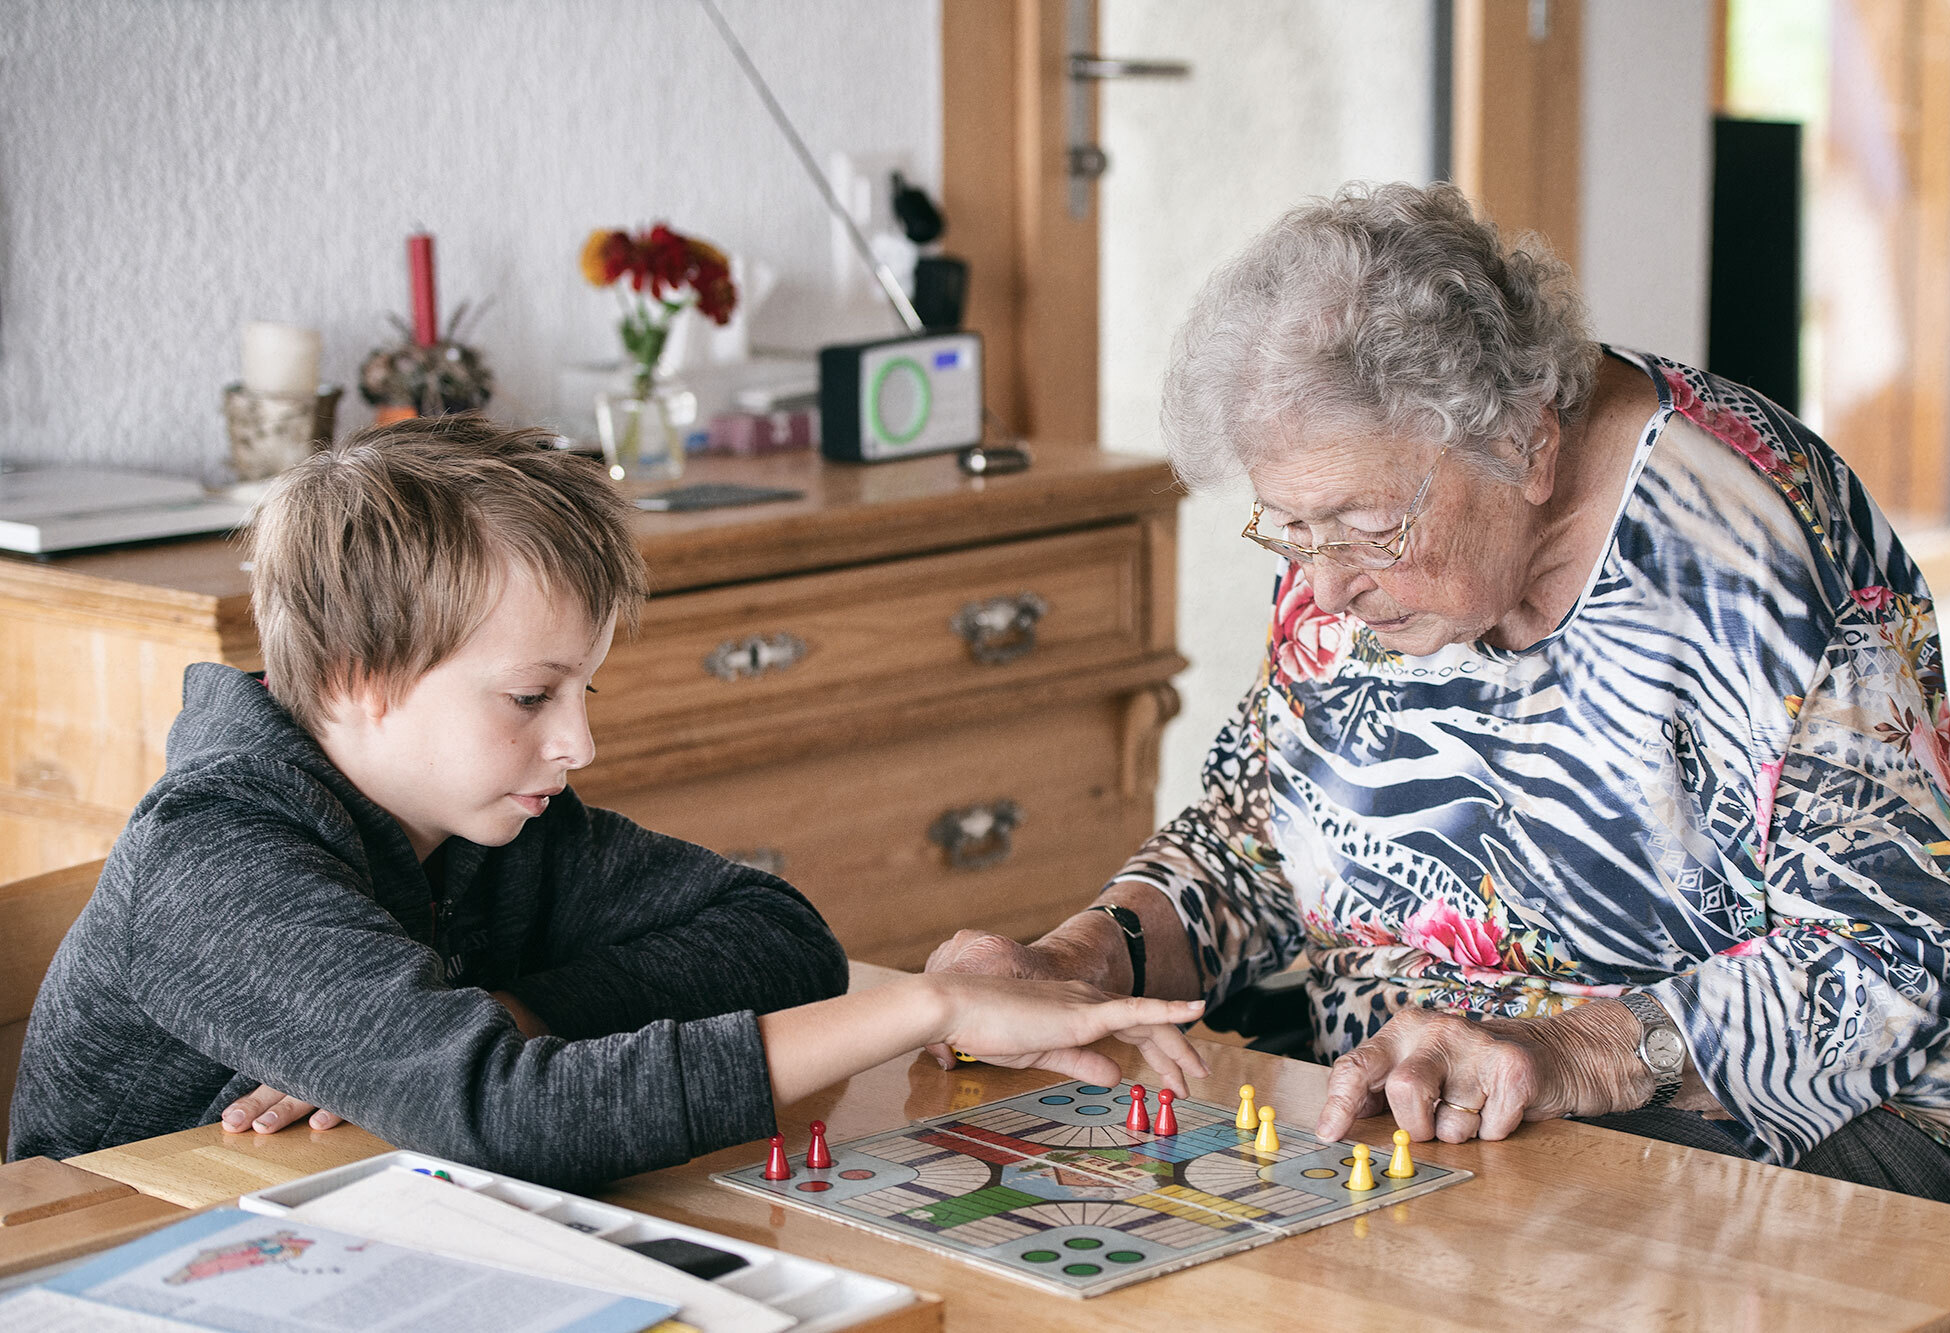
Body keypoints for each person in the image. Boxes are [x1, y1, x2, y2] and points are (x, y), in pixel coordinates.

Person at [927, 181, 1950, 1204]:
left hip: (1793, 1110)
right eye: (1289, 530)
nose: (1322, 585)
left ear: (1526, 444)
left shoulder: (1748, 557)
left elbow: (1909, 943)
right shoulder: (1351, 537)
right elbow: (1253, 839)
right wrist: (1070, 958)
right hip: (1422, 1095)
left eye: (1362, 528)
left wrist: (1566, 1050)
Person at [8, 418, 1206, 1188]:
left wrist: (497, 1013)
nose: (576, 740)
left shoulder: (485, 815)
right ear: (361, 680)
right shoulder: (215, 862)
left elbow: (774, 938)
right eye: (531, 695)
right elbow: (505, 1120)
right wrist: (926, 1005)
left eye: (581, 689)